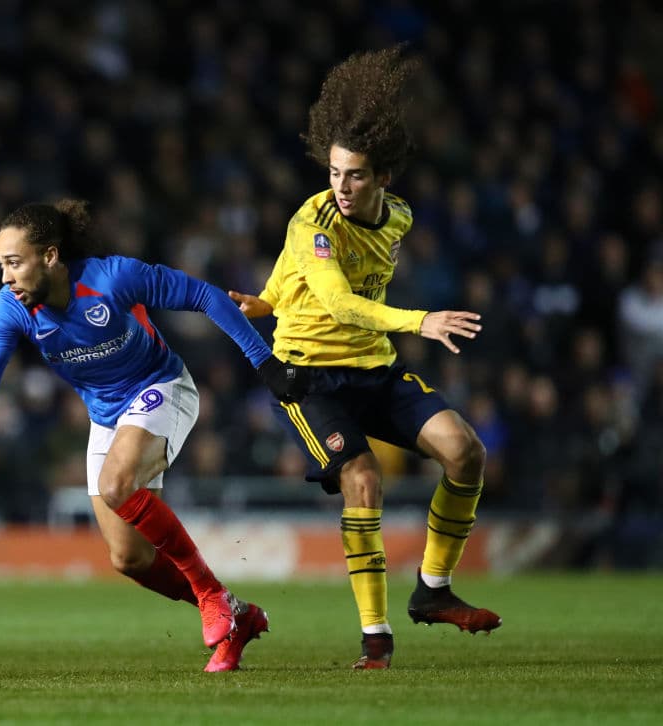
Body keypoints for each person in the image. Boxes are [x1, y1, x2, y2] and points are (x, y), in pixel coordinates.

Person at [0, 198, 306, 672]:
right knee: (128, 558)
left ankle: (211, 597)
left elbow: (205, 296)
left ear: (50, 256)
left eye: (14, 263)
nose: (5, 277)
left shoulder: (112, 278)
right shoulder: (11, 308)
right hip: (107, 416)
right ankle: (236, 615)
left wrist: (263, 362)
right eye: (0, 265)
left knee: (115, 485)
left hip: (162, 387)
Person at [228, 46, 501, 670]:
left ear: (382, 177)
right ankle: (375, 636)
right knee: (364, 478)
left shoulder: (397, 217)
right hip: (310, 377)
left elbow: (293, 281)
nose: (340, 187)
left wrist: (269, 300)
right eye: (332, 172)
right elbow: (340, 301)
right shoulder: (315, 222)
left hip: (372, 367)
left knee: (466, 451)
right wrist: (419, 321)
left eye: (353, 175)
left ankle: (432, 590)